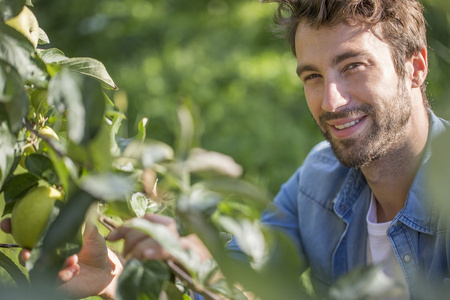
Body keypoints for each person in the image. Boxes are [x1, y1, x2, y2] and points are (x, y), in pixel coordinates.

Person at [2, 0, 449, 299]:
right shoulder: (319, 181)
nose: (331, 101)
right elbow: (242, 277)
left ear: (415, 68)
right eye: (312, 76)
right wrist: (124, 273)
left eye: (353, 66)